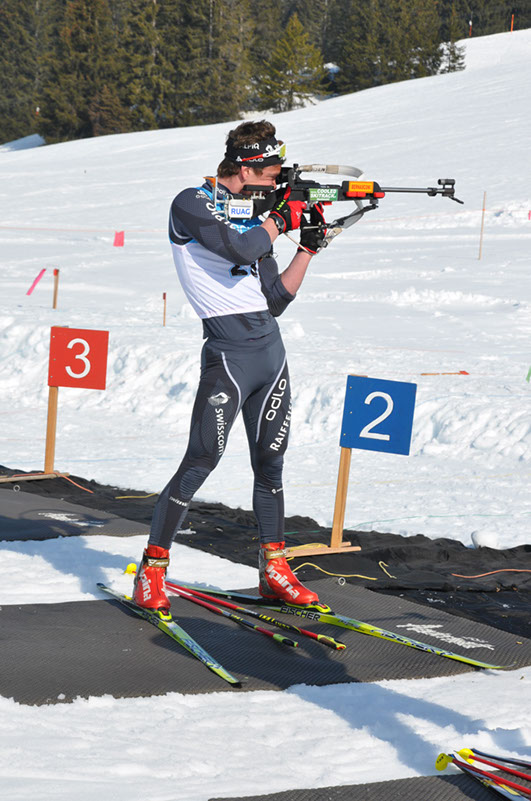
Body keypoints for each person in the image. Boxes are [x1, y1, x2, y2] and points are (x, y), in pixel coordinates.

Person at [133, 120, 327, 615]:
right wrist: (280, 218)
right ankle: (152, 570)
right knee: (202, 459)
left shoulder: (256, 217)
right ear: (246, 168)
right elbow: (239, 248)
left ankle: (274, 570)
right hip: (228, 354)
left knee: (272, 463)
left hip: (270, 353)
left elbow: (275, 298)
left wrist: (307, 248)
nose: (277, 179)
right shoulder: (191, 203)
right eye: (271, 171)